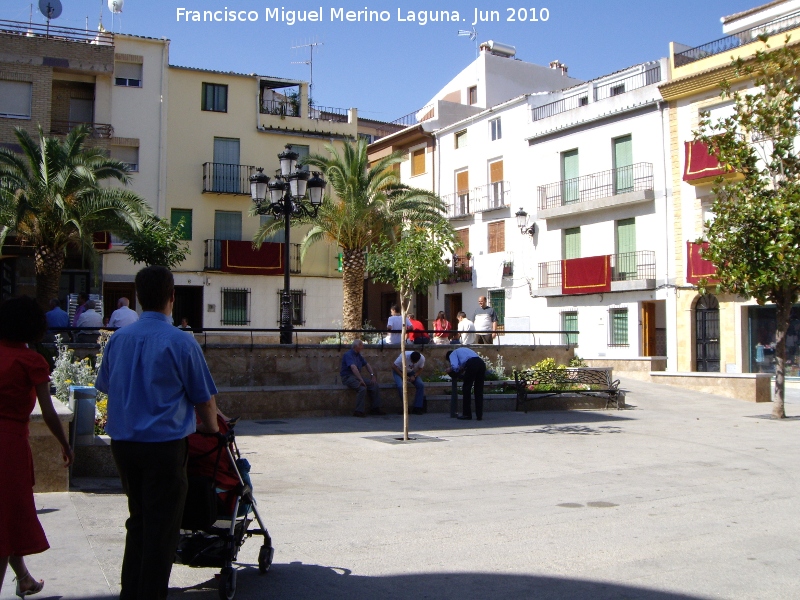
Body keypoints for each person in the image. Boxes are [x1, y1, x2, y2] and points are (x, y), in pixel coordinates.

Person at [95, 266, 220, 600]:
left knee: (138, 520)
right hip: (164, 447)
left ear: (138, 297)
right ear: (172, 296)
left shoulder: (118, 339)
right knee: (163, 528)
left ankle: (130, 591)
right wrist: (211, 430)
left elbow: (106, 386)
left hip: (124, 445)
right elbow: (204, 400)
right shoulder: (181, 341)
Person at [0, 296, 74, 598]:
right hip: (9, 446)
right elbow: (47, 411)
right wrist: (64, 443)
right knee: (7, 518)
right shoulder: (31, 361)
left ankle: (25, 579)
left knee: (6, 517)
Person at [340, 339, 383, 417]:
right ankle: (358, 411)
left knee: (374, 385)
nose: (362, 347)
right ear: (356, 347)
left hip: (357, 377)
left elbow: (367, 364)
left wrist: (372, 375)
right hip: (348, 377)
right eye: (361, 345)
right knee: (362, 388)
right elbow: (353, 368)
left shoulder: (358, 355)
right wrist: (361, 380)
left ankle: (375, 408)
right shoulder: (348, 355)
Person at [445, 347, 486, 421]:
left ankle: (467, 414)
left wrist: (449, 369)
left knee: (466, 389)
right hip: (481, 363)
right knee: (479, 390)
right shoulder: (463, 350)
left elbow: (455, 367)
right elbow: (465, 364)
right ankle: (479, 415)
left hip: (472, 364)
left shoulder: (452, 354)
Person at [392, 350, 426, 415]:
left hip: (410, 372)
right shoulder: (404, 356)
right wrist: (403, 376)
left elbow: (421, 368)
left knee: (420, 385)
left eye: (415, 362)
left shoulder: (422, 358)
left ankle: (417, 407)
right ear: (410, 358)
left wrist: (414, 376)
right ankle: (405, 408)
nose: (413, 363)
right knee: (400, 386)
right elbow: (393, 366)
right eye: (412, 361)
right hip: (399, 371)